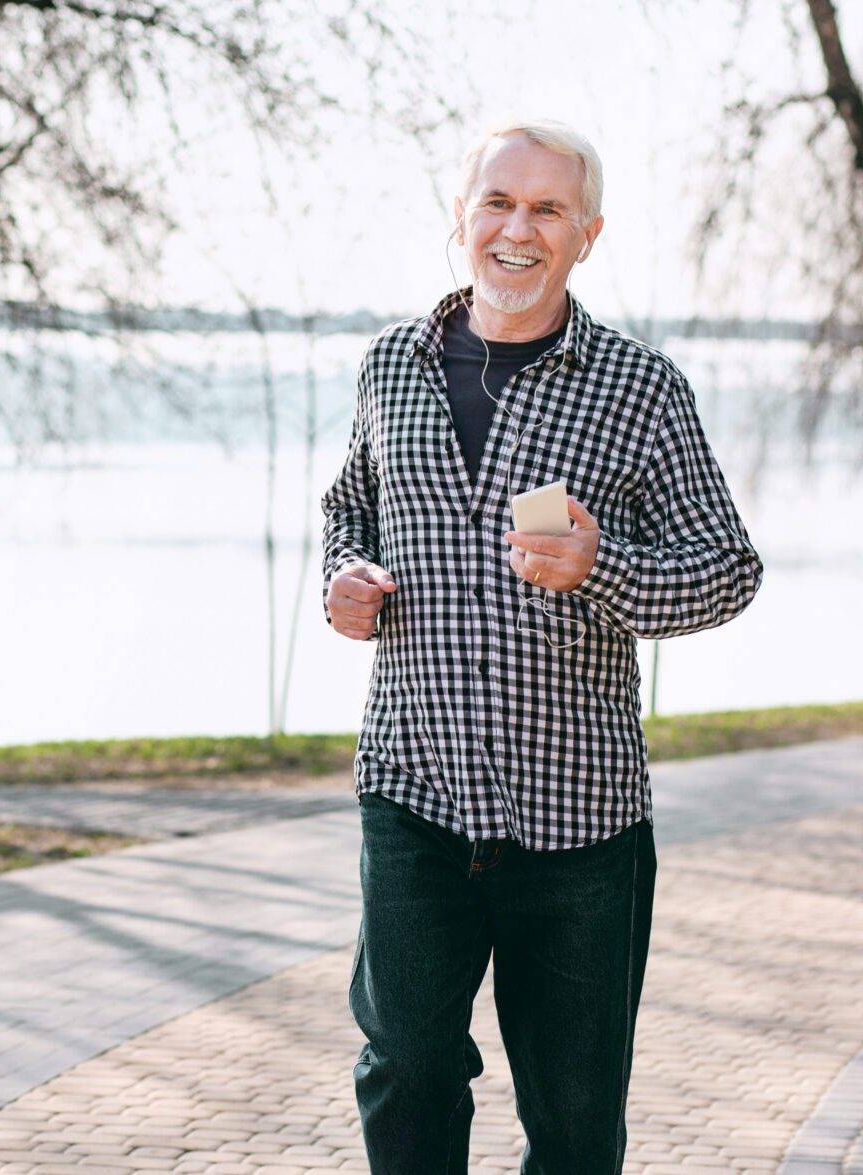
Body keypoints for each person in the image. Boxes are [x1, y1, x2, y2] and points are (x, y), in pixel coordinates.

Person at [319, 119, 764, 1173]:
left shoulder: (638, 387)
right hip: (414, 792)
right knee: (407, 1062)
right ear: (462, 217)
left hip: (578, 822)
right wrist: (346, 586)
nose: (518, 229)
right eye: (498, 203)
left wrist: (599, 568)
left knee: (571, 1120)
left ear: (587, 235)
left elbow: (729, 569)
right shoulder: (391, 366)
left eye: (547, 209)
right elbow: (353, 509)